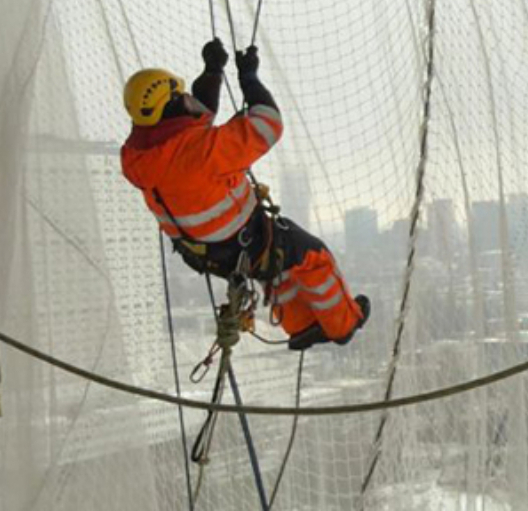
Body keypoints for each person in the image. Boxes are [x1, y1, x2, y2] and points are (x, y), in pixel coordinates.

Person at [121, 38, 369, 349]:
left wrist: (212, 72)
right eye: (180, 95)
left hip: (201, 254)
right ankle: (344, 324)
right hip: (242, 244)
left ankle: (303, 325)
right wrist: (249, 80)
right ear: (170, 103)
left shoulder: (136, 157)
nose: (187, 97)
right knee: (313, 257)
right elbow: (268, 124)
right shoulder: (204, 152)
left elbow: (191, 126)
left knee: (279, 269)